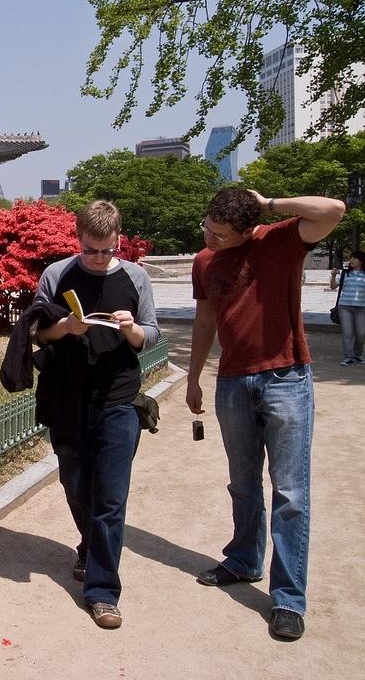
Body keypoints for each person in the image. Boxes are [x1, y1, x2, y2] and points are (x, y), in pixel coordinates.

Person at [186, 187, 345, 641]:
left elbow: (333, 210)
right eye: (207, 228)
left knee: (291, 492)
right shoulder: (203, 261)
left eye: (220, 234)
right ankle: (243, 559)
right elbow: (204, 322)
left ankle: (288, 598)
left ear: (247, 228)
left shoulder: (280, 239)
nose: (210, 239)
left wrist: (270, 204)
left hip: (287, 379)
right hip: (232, 381)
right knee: (242, 482)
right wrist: (195, 377)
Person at [29, 200, 159, 629]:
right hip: (68, 397)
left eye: (107, 250)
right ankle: (90, 547)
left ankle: (103, 592)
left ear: (119, 240)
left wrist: (130, 329)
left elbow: (151, 335)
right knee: (76, 484)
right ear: (78, 239)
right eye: (90, 250)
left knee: (111, 497)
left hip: (120, 398)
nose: (99, 258)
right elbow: (37, 333)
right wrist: (65, 327)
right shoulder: (57, 274)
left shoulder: (135, 276)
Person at [330, 250, 365, 365]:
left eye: (354, 258)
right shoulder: (345, 273)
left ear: (361, 261)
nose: (351, 261)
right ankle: (348, 356)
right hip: (344, 307)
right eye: (351, 258)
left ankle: (358, 355)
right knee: (347, 333)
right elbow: (333, 286)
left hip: (361, 308)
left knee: (360, 333)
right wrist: (334, 275)